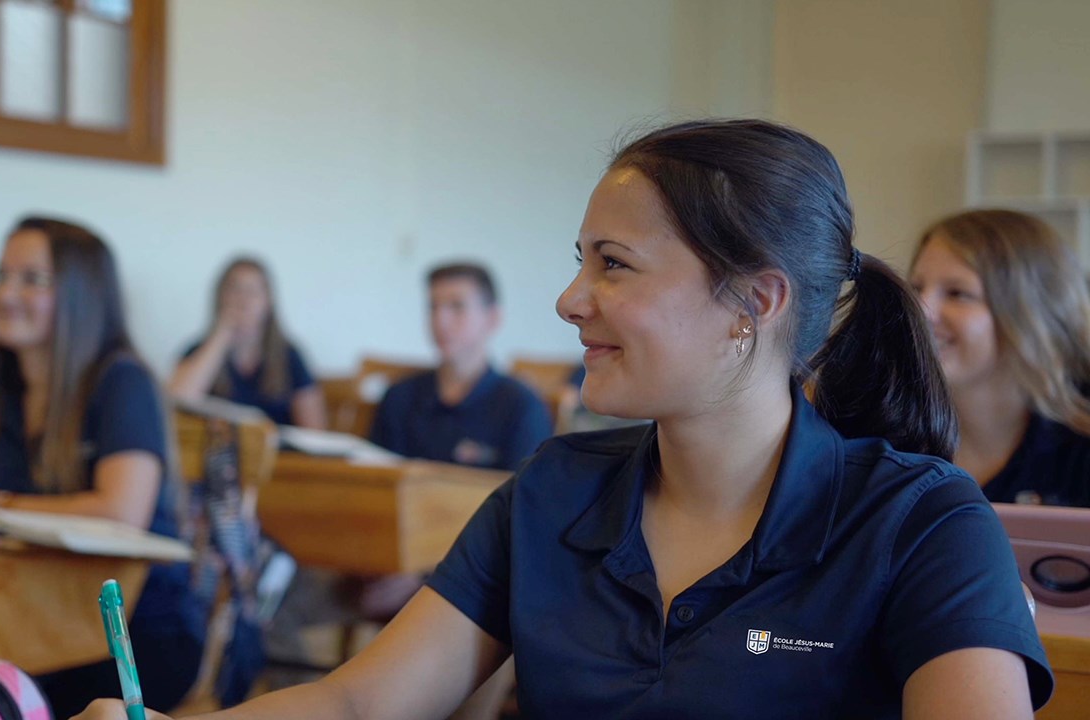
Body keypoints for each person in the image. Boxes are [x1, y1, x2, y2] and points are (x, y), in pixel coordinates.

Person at [74, 120, 1052, 720]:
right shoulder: (552, 491)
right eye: (580, 261)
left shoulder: (924, 522)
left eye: (612, 265)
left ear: (753, 303)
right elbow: (360, 699)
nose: (570, 300)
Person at [0, 217, 204, 717]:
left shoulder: (122, 381)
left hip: (129, 631)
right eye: (2, 275)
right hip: (24, 612)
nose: (4, 294)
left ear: (81, 295)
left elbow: (123, 511)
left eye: (31, 279)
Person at [908, 209, 1090, 507]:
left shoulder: (1079, 445)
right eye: (916, 288)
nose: (919, 310)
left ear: (1030, 314)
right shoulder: (882, 432)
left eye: (957, 293)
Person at [369, 263, 553, 471]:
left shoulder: (521, 406)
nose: (440, 320)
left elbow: (526, 488)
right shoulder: (399, 397)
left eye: (457, 306)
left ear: (492, 318)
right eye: (433, 307)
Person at [170, 257, 326, 428]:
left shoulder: (289, 356)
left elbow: (314, 429)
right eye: (235, 290)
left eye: (253, 291)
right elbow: (178, 402)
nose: (243, 300)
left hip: (277, 445)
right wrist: (222, 334)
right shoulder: (198, 351)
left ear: (268, 301)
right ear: (220, 297)